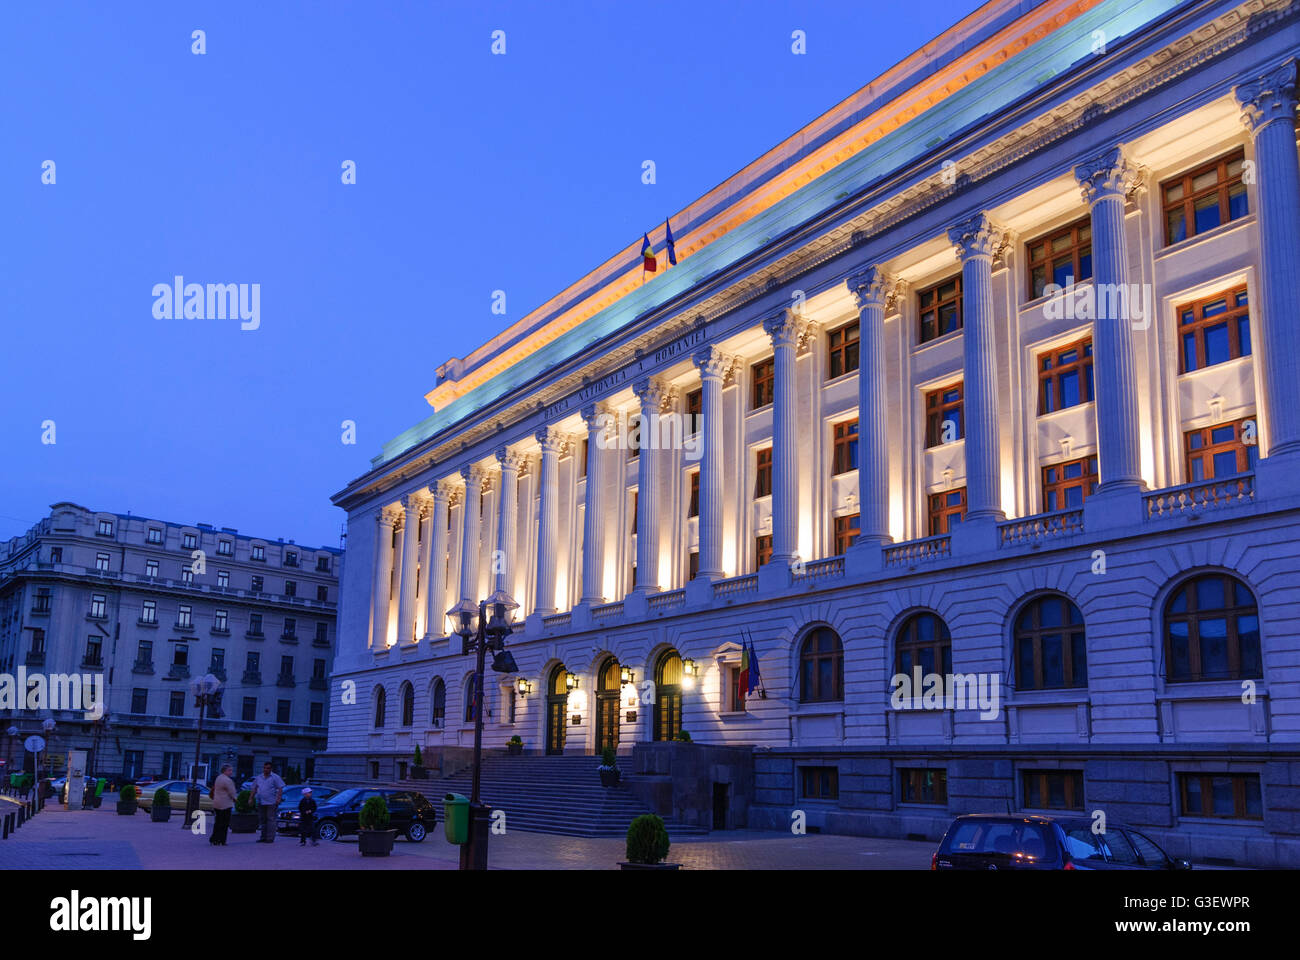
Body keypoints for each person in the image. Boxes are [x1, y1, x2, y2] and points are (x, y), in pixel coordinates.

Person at [250, 761, 284, 843]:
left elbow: (280, 788)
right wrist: (251, 798)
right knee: (263, 820)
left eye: (268, 768)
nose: (265, 769)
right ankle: (263, 837)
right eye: (264, 768)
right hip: (261, 802)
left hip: (271, 802)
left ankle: (270, 838)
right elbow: (254, 788)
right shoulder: (259, 777)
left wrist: (278, 799)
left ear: (271, 769)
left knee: (270, 820)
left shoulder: (275, 777)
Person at [210, 764, 237, 845]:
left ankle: (214, 839)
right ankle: (222, 840)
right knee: (224, 823)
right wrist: (235, 800)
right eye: (230, 770)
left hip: (217, 803)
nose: (231, 772)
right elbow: (232, 792)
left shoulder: (218, 778)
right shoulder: (228, 780)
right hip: (225, 804)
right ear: (225, 771)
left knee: (217, 822)